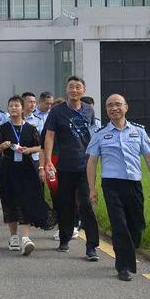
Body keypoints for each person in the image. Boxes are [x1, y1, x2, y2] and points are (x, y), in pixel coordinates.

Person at [86, 94, 150, 281]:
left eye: (118, 105)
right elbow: (92, 162)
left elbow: (149, 157)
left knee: (137, 225)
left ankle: (128, 250)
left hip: (133, 184)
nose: (114, 108)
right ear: (106, 110)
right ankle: (124, 266)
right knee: (119, 225)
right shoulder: (100, 133)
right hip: (111, 185)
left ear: (126, 107)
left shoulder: (138, 131)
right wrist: (92, 189)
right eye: (110, 106)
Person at [43, 76, 100, 260]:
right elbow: (50, 136)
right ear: (66, 90)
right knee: (64, 204)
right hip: (64, 165)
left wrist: (96, 158)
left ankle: (91, 246)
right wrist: (48, 161)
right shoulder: (57, 111)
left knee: (86, 205)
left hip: (85, 166)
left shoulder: (89, 110)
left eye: (78, 87)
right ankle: (64, 238)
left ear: (83, 90)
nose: (74, 90)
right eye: (71, 87)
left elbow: (93, 136)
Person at [0, 96, 57, 256]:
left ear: (22, 109)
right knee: (10, 201)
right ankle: (13, 236)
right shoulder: (3, 128)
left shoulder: (30, 128)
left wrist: (30, 151)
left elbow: (40, 147)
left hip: (27, 168)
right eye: (11, 106)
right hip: (8, 168)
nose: (14, 108)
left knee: (27, 200)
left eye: (16, 106)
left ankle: (25, 238)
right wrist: (2, 146)